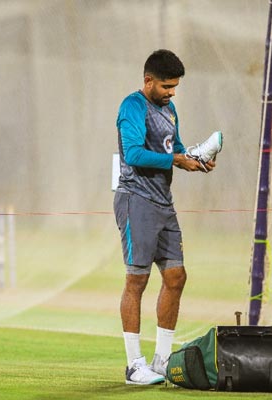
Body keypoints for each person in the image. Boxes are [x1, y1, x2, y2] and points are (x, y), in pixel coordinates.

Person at [113, 49, 218, 385]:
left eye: (175, 87)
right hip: (136, 200)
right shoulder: (132, 106)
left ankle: (160, 361)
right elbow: (132, 153)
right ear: (148, 81)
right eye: (167, 86)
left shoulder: (169, 109)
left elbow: (176, 149)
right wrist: (175, 161)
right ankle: (134, 366)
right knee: (137, 280)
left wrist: (194, 160)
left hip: (163, 203)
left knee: (176, 277)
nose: (173, 92)